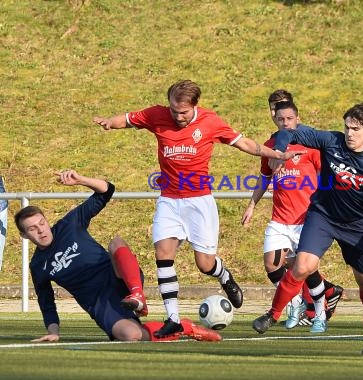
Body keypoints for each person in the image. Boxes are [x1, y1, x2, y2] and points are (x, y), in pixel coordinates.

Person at [93, 80, 303, 338]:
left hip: (199, 202)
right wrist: (109, 123)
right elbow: (127, 119)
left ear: (194, 106)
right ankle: (173, 318)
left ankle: (224, 276)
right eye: (174, 110)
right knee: (163, 252)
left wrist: (276, 154)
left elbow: (245, 143)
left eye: (183, 112)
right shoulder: (156, 114)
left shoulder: (210, 122)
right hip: (169, 200)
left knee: (204, 264)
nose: (177, 116)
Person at [252, 102, 363, 338]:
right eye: (347, 127)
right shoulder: (331, 141)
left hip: (356, 225)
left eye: (356, 129)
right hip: (322, 216)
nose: (349, 134)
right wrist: (281, 149)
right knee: (302, 266)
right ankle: (273, 315)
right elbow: (288, 132)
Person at [15, 170, 221, 342]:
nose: (41, 230)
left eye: (41, 223)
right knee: (131, 335)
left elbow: (107, 191)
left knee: (116, 243)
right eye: (32, 229)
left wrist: (81, 180)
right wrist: (53, 332)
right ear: (24, 235)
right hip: (99, 303)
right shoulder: (38, 265)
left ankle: (138, 295)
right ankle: (185, 327)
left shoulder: (69, 224)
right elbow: (46, 302)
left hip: (119, 277)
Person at [241, 96, 343, 329]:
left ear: (298, 119)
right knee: (271, 264)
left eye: (289, 118)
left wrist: (327, 205)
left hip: (306, 218)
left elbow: (327, 177)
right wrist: (252, 205)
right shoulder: (270, 145)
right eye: (281, 119)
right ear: (274, 120)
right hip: (280, 219)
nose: (285, 123)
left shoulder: (311, 147)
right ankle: (295, 301)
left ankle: (319, 315)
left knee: (306, 269)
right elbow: (265, 177)